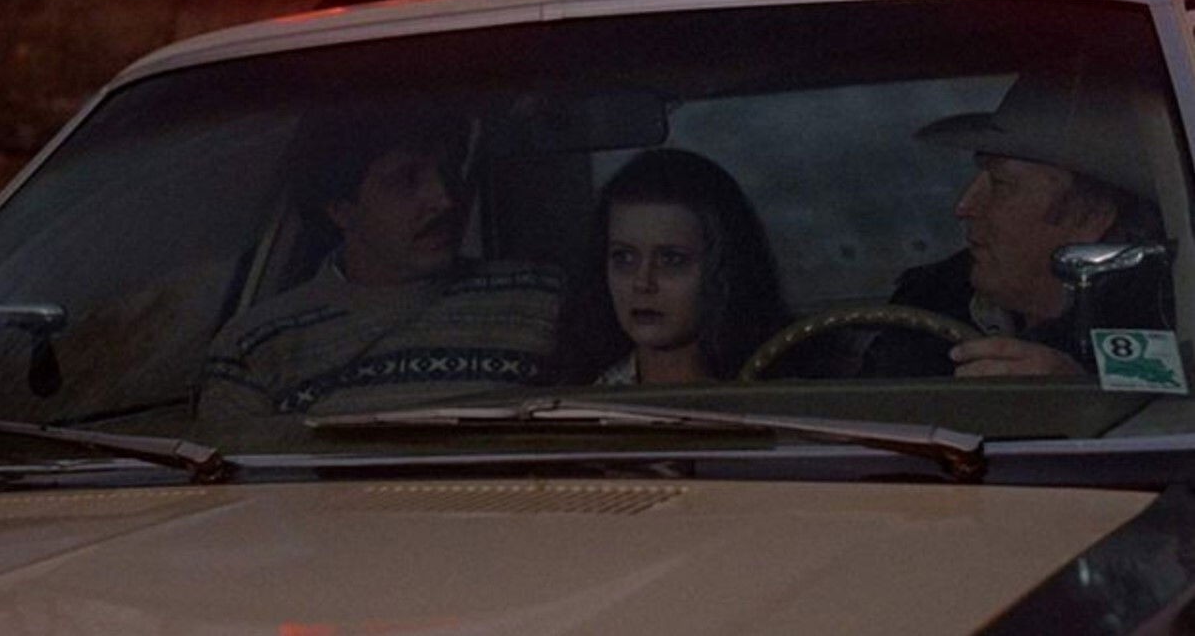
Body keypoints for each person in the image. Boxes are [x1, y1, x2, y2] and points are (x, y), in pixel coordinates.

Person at [196, 107, 563, 438]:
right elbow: (231, 475)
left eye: (449, 170)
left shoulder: (540, 297)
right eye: (406, 179)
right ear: (341, 209)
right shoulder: (257, 345)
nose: (444, 199)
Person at [863, 64, 1172, 378]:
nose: (964, 206)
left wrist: (1082, 392)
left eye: (1001, 185)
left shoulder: (1163, 320)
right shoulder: (929, 303)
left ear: (1091, 217)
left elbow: (1161, 395)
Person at [562, 148, 790, 385]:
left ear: (723, 268)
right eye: (624, 258)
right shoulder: (577, 397)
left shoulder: (777, 394)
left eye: (671, 260)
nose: (643, 283)